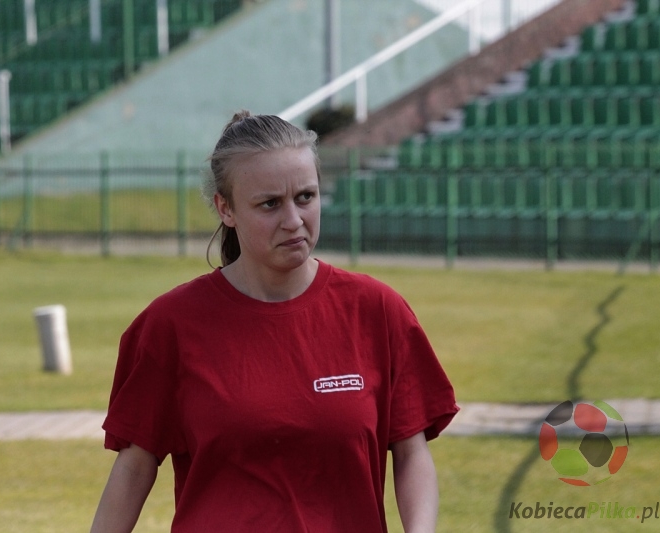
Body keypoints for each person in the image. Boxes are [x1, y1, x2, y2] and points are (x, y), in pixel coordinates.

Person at [91, 111, 458, 533]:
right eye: (270, 204)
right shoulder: (170, 324)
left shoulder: (377, 311)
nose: (294, 220)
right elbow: (133, 468)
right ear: (225, 209)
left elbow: (411, 453)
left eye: (305, 197)